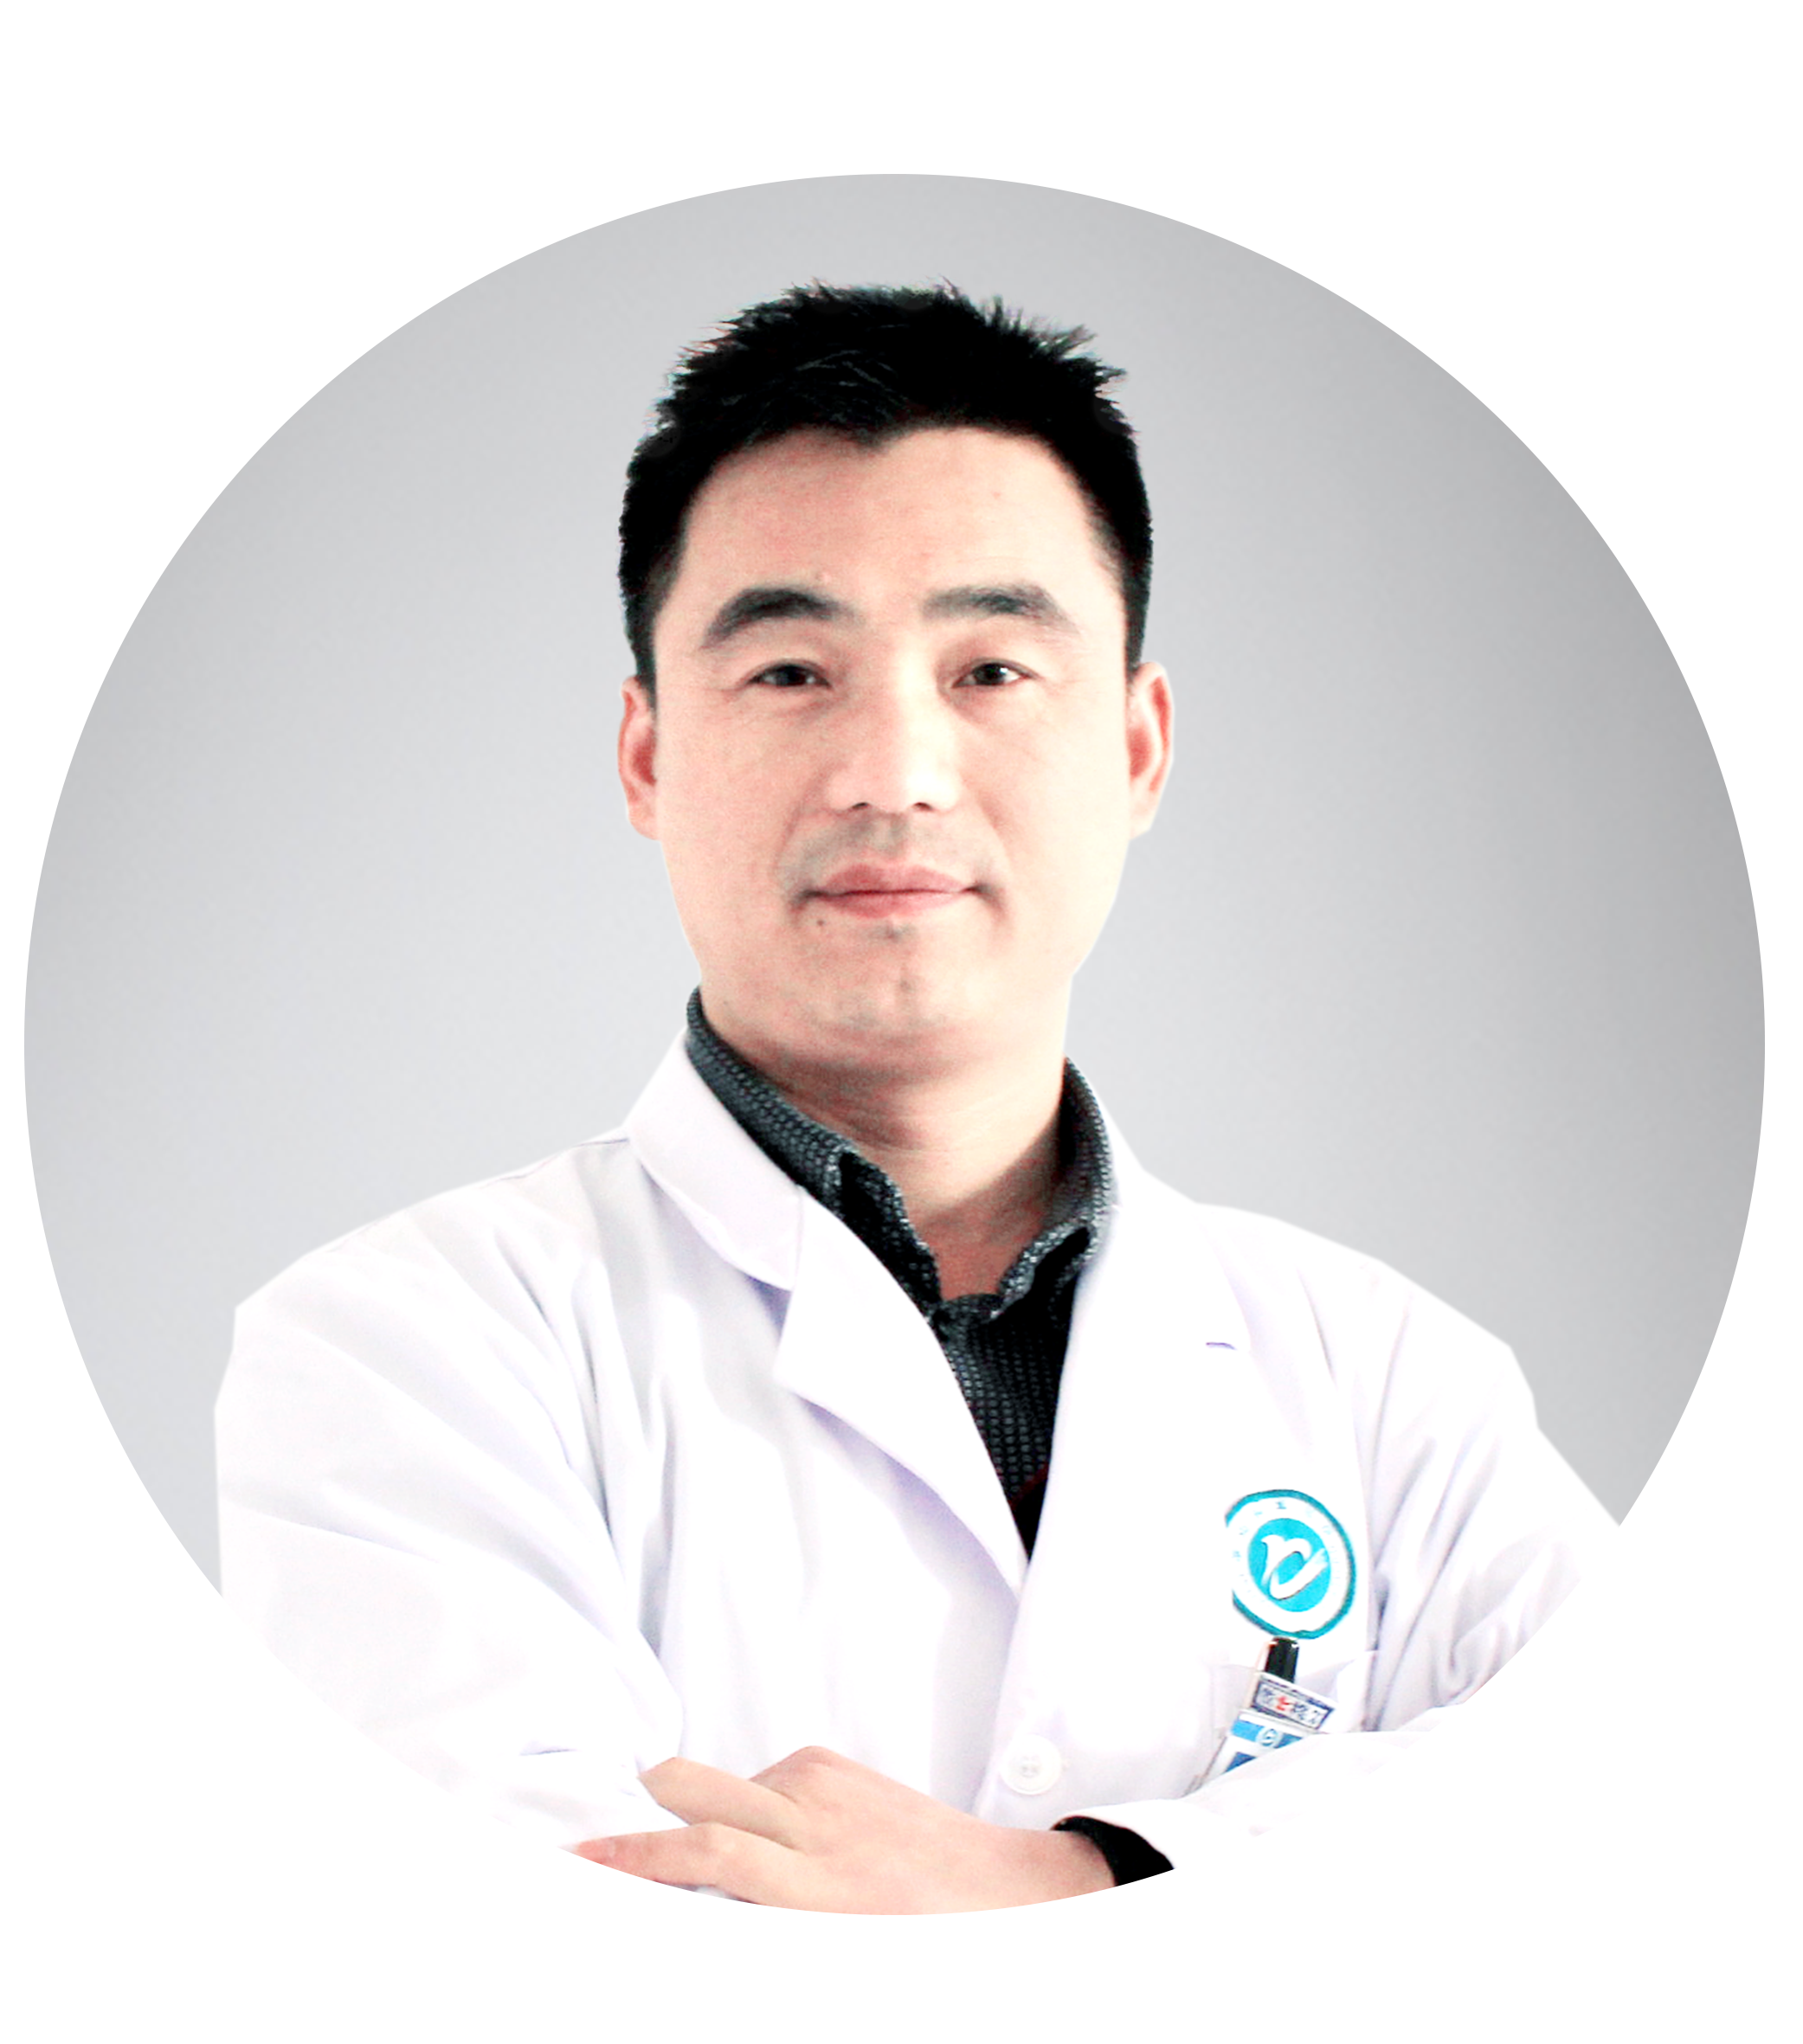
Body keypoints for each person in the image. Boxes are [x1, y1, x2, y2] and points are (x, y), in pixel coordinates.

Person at [216, 282, 1761, 1919]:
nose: (894, 769)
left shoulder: (1374, 1372)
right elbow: (509, 1964)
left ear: (1138, 747)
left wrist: (1089, 1889)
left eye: (992, 668)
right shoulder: (410, 1349)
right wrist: (1371, 1890)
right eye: (791, 670)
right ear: (647, 755)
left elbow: (1720, 1826)